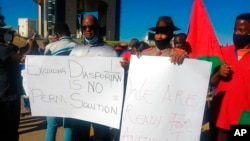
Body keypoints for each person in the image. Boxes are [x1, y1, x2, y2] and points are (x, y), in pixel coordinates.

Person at [70, 14, 117, 141]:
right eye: (84, 27)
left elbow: (115, 80)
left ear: (97, 27)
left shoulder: (110, 51)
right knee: (79, 137)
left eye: (91, 27)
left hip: (101, 105)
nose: (87, 30)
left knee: (101, 137)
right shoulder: (75, 50)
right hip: (80, 104)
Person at [210, 13, 250, 141]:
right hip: (220, 118)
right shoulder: (222, 53)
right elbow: (210, 82)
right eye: (235, 29)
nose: (236, 33)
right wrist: (218, 73)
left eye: (241, 30)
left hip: (244, 120)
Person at [44, 22, 77, 141]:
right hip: (71, 91)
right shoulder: (77, 47)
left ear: (56, 34)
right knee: (68, 125)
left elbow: (43, 70)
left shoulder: (50, 47)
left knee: (51, 124)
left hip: (52, 91)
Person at [0, 23, 32, 141]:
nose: (12, 35)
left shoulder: (6, 48)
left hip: (6, 94)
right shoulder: (3, 49)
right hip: (8, 96)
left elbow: (17, 52)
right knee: (10, 130)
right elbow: (22, 58)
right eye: (9, 33)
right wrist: (30, 46)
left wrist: (26, 45)